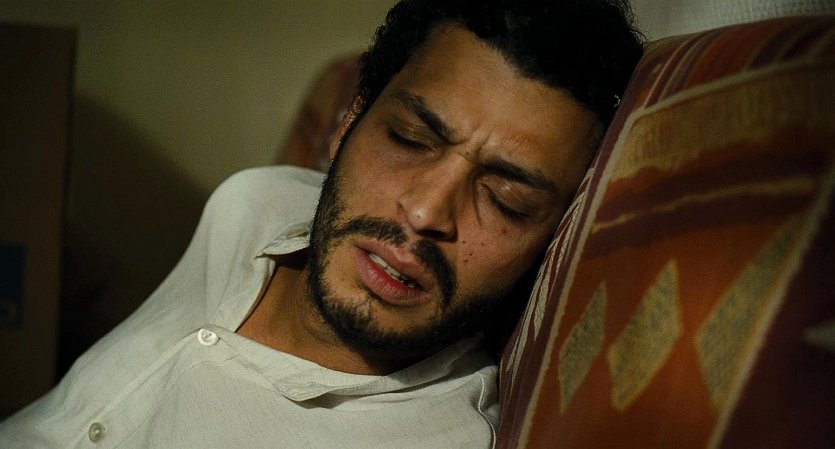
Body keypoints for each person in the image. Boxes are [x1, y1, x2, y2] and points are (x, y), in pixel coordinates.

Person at [0, 0, 642, 447]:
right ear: (348, 124)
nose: (425, 213)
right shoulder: (253, 202)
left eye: (505, 200)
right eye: (410, 138)